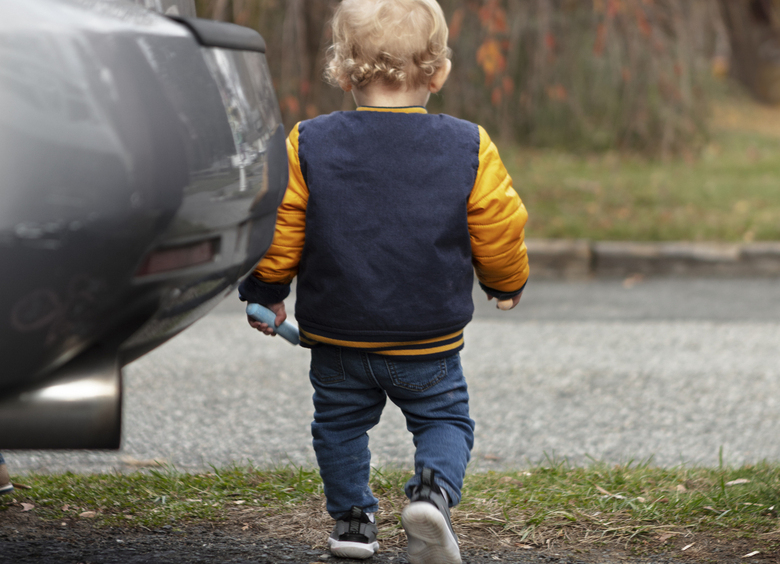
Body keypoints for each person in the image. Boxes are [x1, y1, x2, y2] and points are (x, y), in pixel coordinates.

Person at [239, 1, 529, 562]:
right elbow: (498, 222)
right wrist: (504, 282)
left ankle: (352, 523)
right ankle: (432, 495)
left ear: (343, 72)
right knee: (445, 418)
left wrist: (267, 294)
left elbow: (282, 226)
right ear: (438, 72)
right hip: (428, 339)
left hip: (338, 337)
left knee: (339, 427)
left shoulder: (308, 142)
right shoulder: (469, 144)